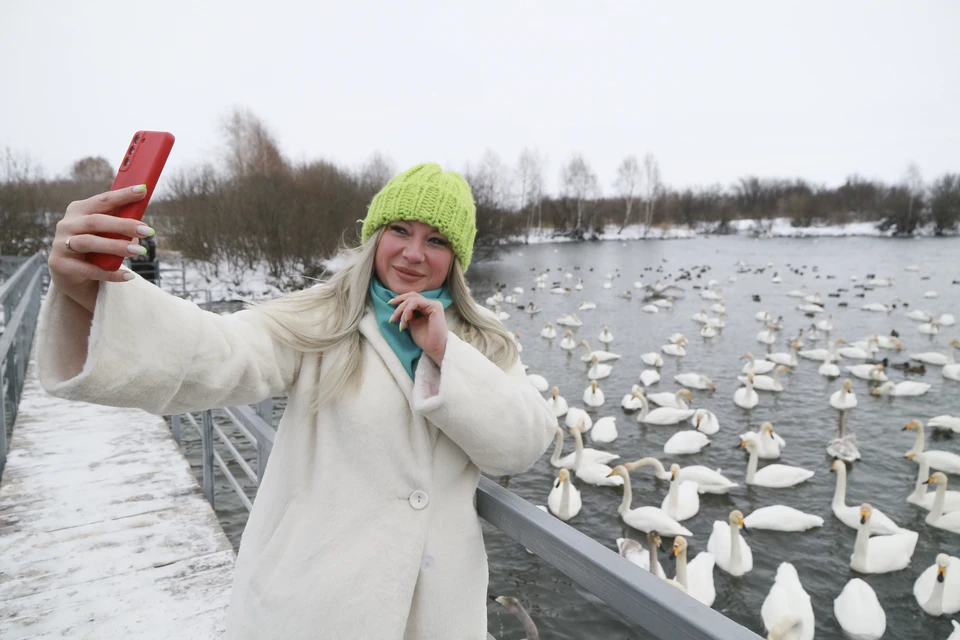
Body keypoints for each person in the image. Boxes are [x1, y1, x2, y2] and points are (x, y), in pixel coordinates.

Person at [37, 163, 558, 639]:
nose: (414, 252)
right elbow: (219, 352)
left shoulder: (484, 342)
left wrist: (446, 352)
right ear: (375, 236)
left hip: (436, 617)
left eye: (437, 240)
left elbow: (522, 445)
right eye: (399, 230)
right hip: (321, 609)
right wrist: (92, 290)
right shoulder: (322, 320)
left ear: (457, 258)